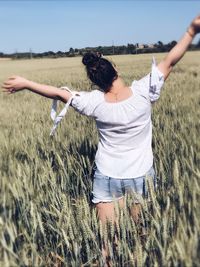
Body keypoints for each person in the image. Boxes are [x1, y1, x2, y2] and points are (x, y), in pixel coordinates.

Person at [2, 15, 200, 266]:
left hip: (106, 177)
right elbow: (171, 59)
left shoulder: (93, 102)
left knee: (108, 245)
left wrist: (25, 83)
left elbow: (58, 93)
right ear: (116, 70)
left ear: (95, 82)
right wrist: (191, 31)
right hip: (140, 177)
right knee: (141, 238)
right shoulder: (143, 91)